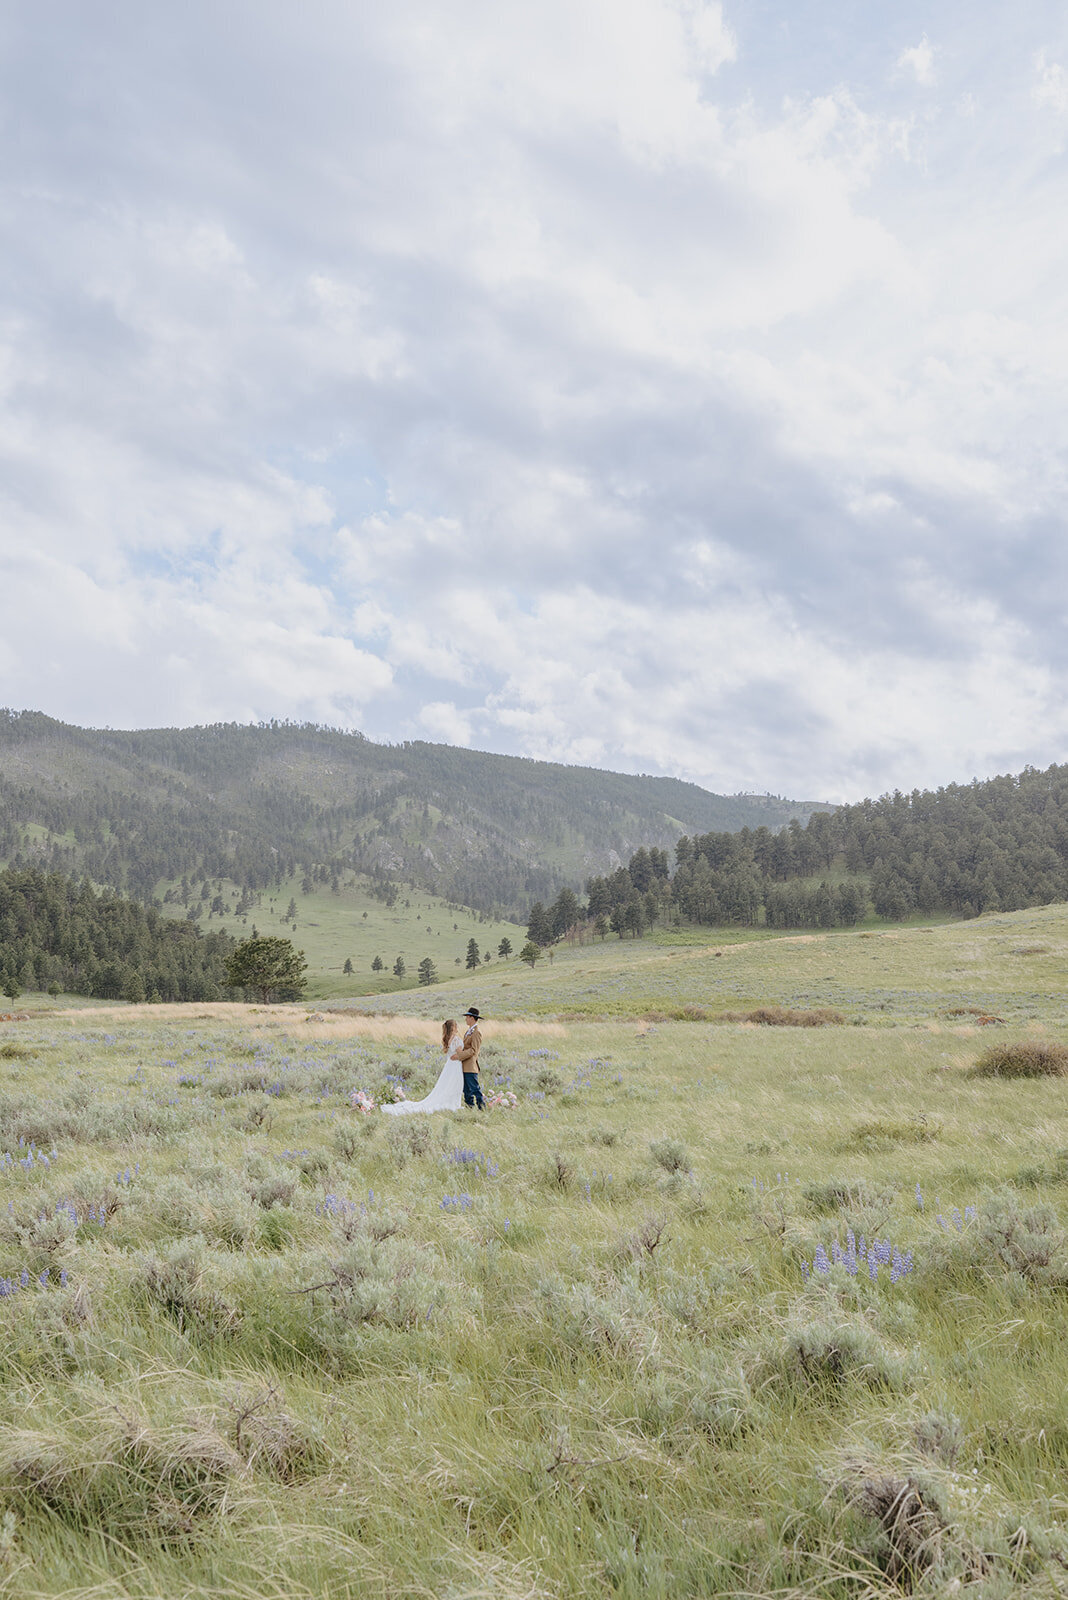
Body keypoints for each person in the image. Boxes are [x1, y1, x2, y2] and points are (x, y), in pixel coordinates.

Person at [382, 1019, 464, 1115]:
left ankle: (452, 1103)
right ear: (453, 1027)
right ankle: (453, 1104)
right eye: (456, 1025)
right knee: (455, 1085)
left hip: (449, 1066)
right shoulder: (456, 1040)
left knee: (447, 1086)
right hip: (455, 1066)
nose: (457, 1027)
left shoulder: (448, 1039)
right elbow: (460, 1054)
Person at [457, 1006, 485, 1109]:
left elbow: (474, 1050)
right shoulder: (469, 1031)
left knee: (474, 1088)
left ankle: (482, 1107)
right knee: (466, 1090)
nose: (466, 1019)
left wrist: (460, 1055)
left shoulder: (476, 1032)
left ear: (472, 1018)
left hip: (470, 1065)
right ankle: (470, 1107)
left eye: (467, 1017)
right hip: (465, 1064)